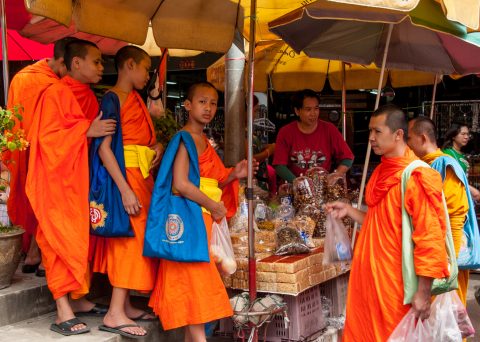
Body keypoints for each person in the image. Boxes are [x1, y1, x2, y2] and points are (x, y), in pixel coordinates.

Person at [326, 104, 450, 341]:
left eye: (377, 132)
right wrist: (350, 211)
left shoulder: (417, 176)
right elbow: (379, 221)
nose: (371, 138)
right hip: (368, 282)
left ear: (398, 134)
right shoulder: (382, 170)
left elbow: (430, 238)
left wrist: (423, 292)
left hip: (395, 286)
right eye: (370, 131)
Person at [25, 39, 116, 336]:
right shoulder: (54, 93)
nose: (102, 67)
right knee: (56, 240)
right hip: (54, 182)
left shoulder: (85, 95)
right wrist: (85, 130)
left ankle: (77, 301)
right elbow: (48, 140)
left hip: (77, 180)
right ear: (76, 63)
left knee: (76, 240)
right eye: (97, 61)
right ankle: (62, 308)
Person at [149, 81, 249, 341]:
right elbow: (181, 184)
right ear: (188, 105)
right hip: (189, 224)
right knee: (196, 289)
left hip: (202, 224)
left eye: (213, 103)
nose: (208, 108)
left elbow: (210, 180)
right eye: (202, 102)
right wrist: (214, 205)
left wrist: (234, 174)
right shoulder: (185, 139)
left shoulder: (203, 140)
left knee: (195, 290)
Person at [92, 46, 162, 338]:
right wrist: (124, 191)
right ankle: (114, 312)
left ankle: (126, 304)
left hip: (141, 176)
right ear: (130, 65)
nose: (148, 76)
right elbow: (104, 149)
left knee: (136, 243)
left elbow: (146, 139)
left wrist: (156, 148)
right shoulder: (112, 99)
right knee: (127, 244)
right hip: (126, 180)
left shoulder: (134, 99)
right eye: (146, 69)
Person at [3, 38, 77, 275]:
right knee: (44, 202)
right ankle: (40, 254)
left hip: (23, 147)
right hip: (43, 150)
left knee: (34, 199)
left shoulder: (22, 76)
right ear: (65, 62)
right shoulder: (50, 83)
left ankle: (34, 253)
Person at [408, 117, 473, 305]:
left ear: (422, 138)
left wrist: (449, 259)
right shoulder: (426, 164)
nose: (408, 144)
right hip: (435, 252)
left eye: (410, 138)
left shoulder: (445, 165)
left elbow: (456, 214)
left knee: (452, 315)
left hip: (449, 252)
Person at [273, 89, 354, 182]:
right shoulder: (286, 132)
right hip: (293, 188)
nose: (313, 114)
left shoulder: (329, 129)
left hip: (322, 188)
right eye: (308, 109)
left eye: (316, 108)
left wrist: (336, 175)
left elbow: (348, 158)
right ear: (297, 111)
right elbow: (279, 165)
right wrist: (299, 183)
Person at [442, 123, 480, 202]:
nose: (466, 137)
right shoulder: (448, 154)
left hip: (462, 195)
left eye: (467, 134)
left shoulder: (461, 154)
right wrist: (473, 191)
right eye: (463, 134)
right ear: (453, 136)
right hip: (453, 197)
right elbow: (452, 179)